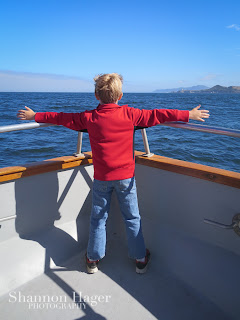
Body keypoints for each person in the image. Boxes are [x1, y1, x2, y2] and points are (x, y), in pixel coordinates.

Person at [17, 73, 209, 274]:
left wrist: (34, 116)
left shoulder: (88, 118)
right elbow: (158, 114)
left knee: (98, 219)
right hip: (126, 179)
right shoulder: (130, 114)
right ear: (121, 95)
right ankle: (140, 259)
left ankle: (93, 259)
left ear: (96, 95)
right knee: (132, 218)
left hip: (101, 179)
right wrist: (188, 115)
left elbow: (61, 118)